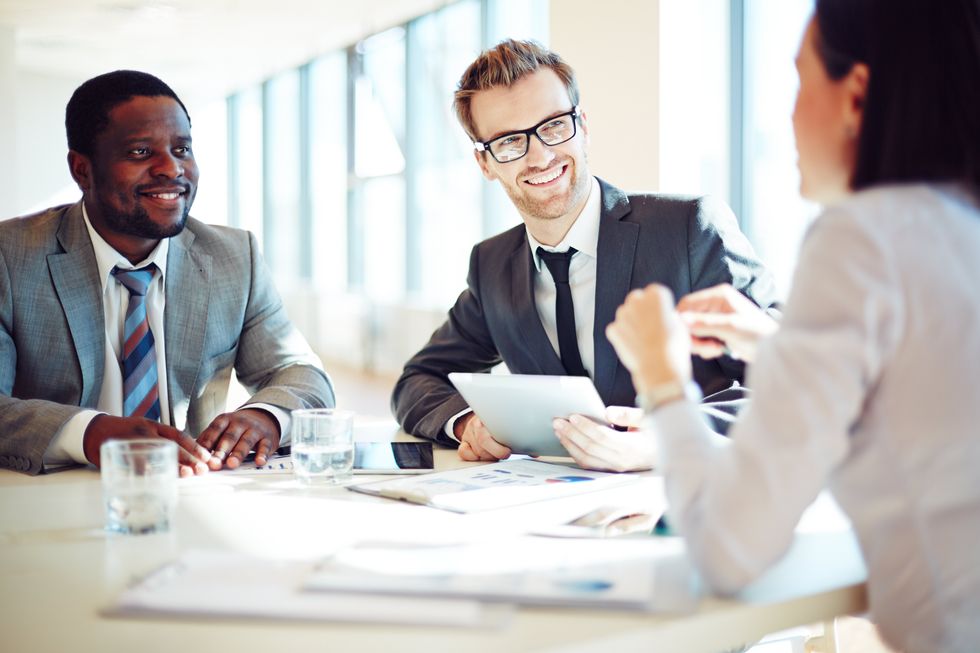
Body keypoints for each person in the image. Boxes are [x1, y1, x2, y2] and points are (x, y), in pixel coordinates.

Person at [595, 0, 980, 650]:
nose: (789, 112)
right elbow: (932, 375)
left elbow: (728, 547)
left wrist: (661, 378)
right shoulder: (954, 227)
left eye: (800, 81)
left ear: (856, 95)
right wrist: (777, 343)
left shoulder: (861, 240)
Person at [391, 39, 779, 471]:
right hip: (552, 512)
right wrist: (467, 423)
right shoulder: (492, 266)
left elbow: (790, 373)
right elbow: (417, 381)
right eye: (508, 141)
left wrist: (675, 437)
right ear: (486, 164)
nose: (540, 156)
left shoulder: (689, 228)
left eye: (554, 126)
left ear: (584, 127)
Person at [0, 70, 335, 476]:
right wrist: (90, 434)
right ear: (82, 170)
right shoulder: (11, 256)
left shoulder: (233, 257)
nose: (171, 169)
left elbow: (303, 373)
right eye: (141, 152)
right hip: (46, 500)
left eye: (182, 149)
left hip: (188, 490)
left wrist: (266, 415)